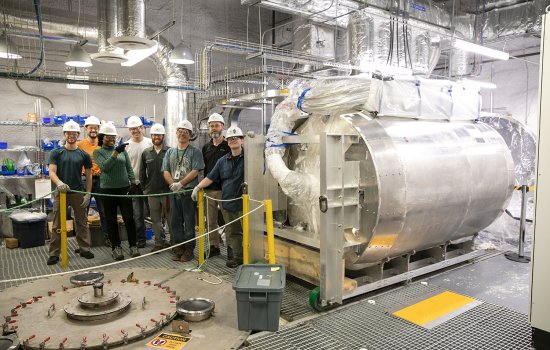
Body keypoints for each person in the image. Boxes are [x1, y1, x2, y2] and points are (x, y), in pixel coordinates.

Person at [192, 125, 245, 268]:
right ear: (227, 142)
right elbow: (210, 177)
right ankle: (238, 257)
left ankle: (250, 256)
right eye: (230, 139)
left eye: (236, 138)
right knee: (233, 232)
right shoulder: (222, 161)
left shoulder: (249, 158)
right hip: (228, 202)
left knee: (248, 231)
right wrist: (198, 187)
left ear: (242, 140)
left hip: (245, 203)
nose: (233, 141)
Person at [47, 120, 94, 265]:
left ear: (78, 135)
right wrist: (59, 183)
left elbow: (89, 175)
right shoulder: (56, 152)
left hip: (77, 192)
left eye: (74, 133)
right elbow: (52, 171)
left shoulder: (83, 155)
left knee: (81, 222)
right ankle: (54, 253)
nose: (71, 135)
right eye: (69, 133)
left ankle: (84, 248)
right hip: (60, 193)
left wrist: (88, 193)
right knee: (57, 224)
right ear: (64, 134)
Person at [93, 122, 140, 261]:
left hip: (124, 189)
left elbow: (128, 167)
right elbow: (105, 167)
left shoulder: (122, 151)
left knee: (129, 218)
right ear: (102, 137)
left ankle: (133, 245)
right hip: (107, 190)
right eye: (108, 137)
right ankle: (116, 247)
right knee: (111, 220)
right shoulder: (98, 152)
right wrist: (115, 153)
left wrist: (132, 181)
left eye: (113, 136)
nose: (111, 139)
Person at [162, 120, 204, 262]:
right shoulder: (170, 152)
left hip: (188, 193)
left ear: (190, 135)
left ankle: (189, 249)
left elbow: (195, 171)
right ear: (176, 133)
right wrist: (173, 184)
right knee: (175, 222)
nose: (182, 134)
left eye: (186, 132)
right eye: (180, 131)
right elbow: (165, 170)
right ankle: (179, 247)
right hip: (174, 193)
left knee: (189, 222)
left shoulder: (195, 152)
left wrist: (181, 183)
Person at [76, 116, 110, 247]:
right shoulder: (80, 145)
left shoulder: (103, 144)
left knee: (104, 210)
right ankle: (83, 242)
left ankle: (107, 238)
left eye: (95, 128)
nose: (93, 130)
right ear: (86, 129)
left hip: (101, 180)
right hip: (85, 179)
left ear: (99, 129)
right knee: (82, 212)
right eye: (90, 128)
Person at [201, 113, 230, 257]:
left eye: (217, 125)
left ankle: (231, 248)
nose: (214, 129)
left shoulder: (228, 145)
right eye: (211, 126)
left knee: (229, 220)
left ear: (222, 127)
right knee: (210, 221)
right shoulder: (206, 147)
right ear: (208, 128)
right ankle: (214, 247)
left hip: (225, 190)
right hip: (209, 190)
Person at [140, 123, 172, 252]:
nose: (156, 137)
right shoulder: (146, 153)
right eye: (154, 135)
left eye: (159, 135)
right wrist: (144, 188)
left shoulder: (170, 151)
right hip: (152, 192)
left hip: (167, 192)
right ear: (151, 136)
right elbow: (142, 172)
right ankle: (159, 243)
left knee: (170, 219)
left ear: (163, 136)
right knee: (155, 220)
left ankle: (174, 243)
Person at [125, 115, 152, 248]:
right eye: (132, 129)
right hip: (135, 185)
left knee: (155, 212)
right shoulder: (126, 146)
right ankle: (141, 239)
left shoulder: (150, 143)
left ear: (142, 128)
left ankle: (161, 237)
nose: (135, 131)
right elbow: (124, 166)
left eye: (137, 128)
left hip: (150, 184)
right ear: (129, 130)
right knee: (137, 213)